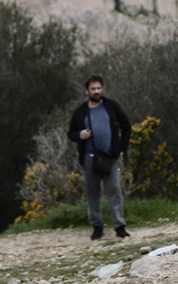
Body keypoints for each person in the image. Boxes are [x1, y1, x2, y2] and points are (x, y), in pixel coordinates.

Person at [67, 74, 132, 240]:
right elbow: (71, 134)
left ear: (102, 89)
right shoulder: (80, 112)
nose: (96, 91)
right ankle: (97, 227)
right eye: (93, 89)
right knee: (92, 193)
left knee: (115, 190)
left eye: (99, 88)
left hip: (111, 157)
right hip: (89, 159)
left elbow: (126, 126)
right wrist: (80, 135)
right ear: (86, 91)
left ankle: (119, 227)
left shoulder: (112, 106)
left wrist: (122, 149)